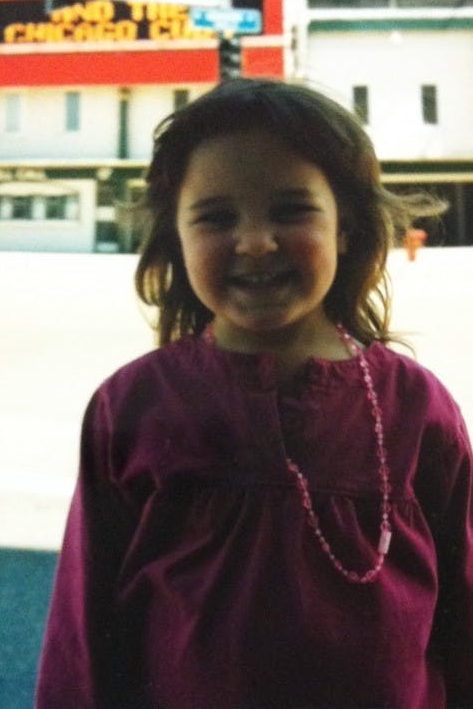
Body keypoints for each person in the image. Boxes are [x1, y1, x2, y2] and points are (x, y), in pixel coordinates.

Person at [35, 78, 472, 709]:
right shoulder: (132, 406)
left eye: (291, 211)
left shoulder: (417, 408)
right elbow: (82, 636)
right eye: (217, 218)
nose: (257, 241)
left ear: (345, 228)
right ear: (176, 238)